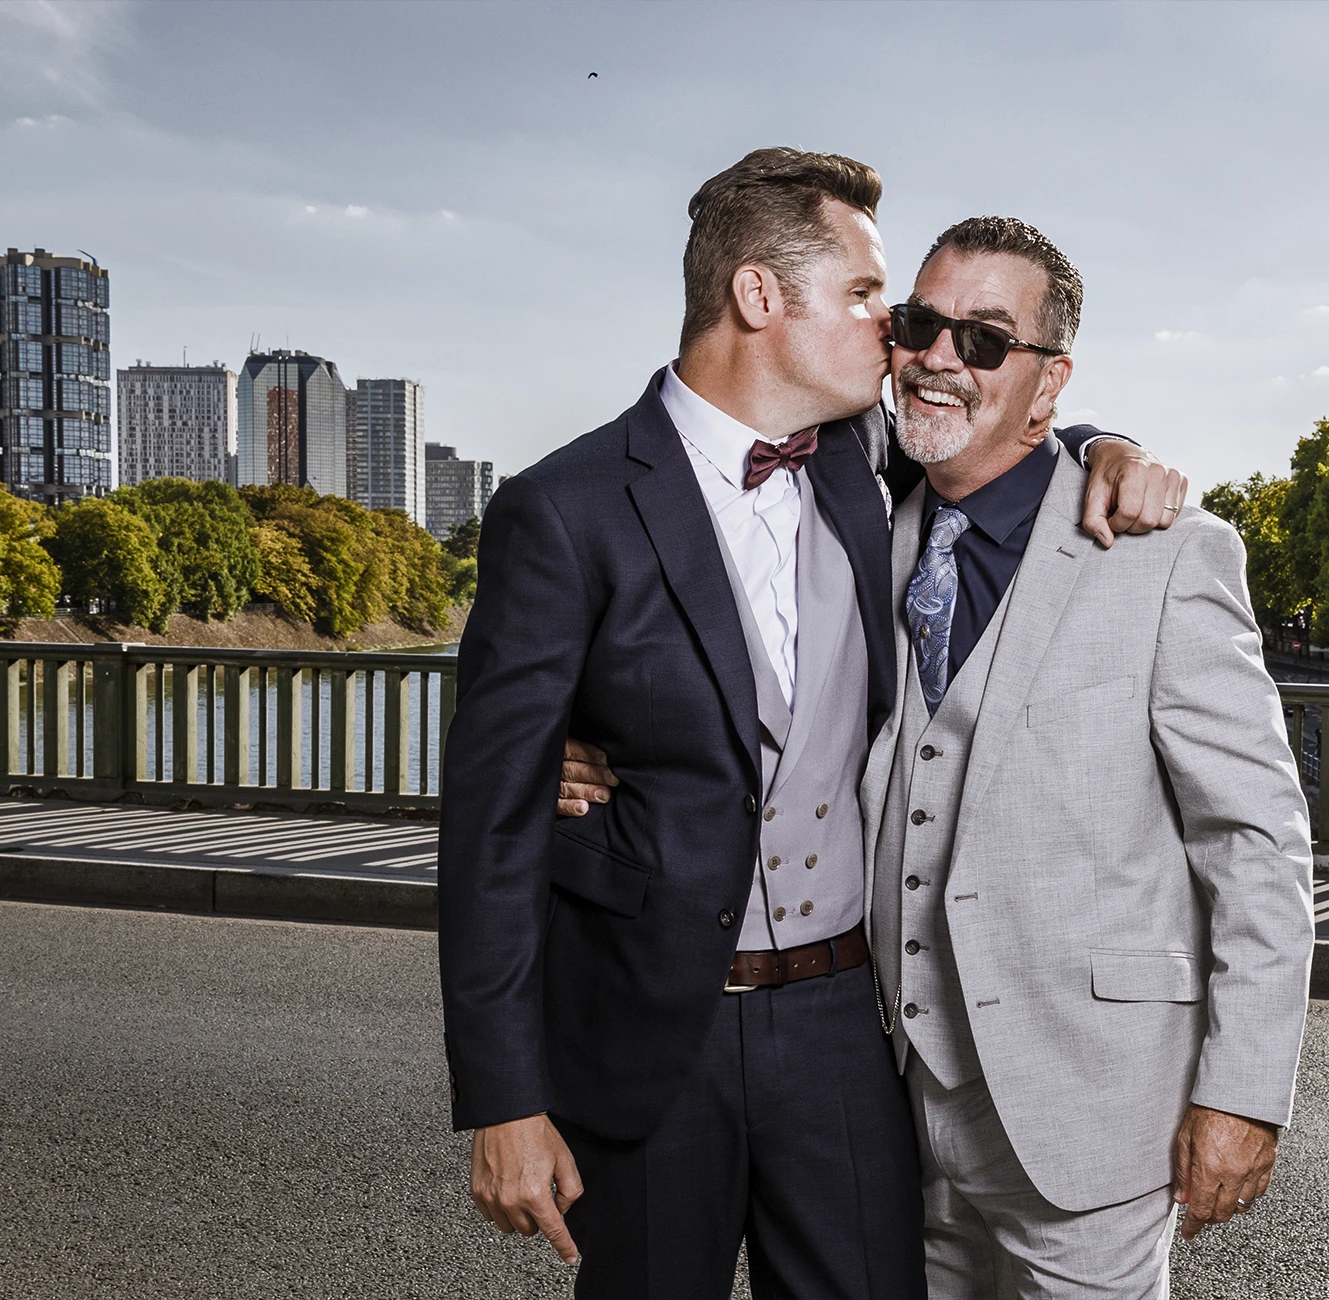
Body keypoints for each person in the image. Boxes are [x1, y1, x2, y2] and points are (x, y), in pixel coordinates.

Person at [438, 148, 1187, 1300]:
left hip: (845, 1028)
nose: (897, 337)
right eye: (865, 299)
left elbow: (997, 430)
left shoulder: (864, 462)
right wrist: (503, 1098)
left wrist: (1107, 446)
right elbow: (488, 829)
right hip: (648, 1040)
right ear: (757, 297)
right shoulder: (563, 508)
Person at [858, 216, 1314, 1296]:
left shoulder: (1167, 556)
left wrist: (1244, 1093)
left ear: (1049, 382)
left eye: (982, 340)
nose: (937, 356)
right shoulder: (863, 518)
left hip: (1092, 1105)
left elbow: (1254, 839)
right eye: (921, 324)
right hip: (897, 1104)